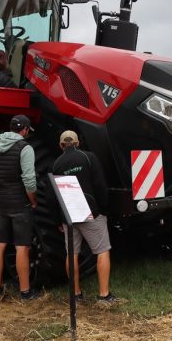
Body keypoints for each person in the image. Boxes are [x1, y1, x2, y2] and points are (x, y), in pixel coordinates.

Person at [51, 130, 118, 304]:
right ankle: (104, 295)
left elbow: (54, 196)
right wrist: (103, 208)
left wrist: (59, 219)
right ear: (77, 142)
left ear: (61, 145)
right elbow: (99, 185)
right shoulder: (88, 157)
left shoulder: (56, 164)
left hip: (68, 215)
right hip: (90, 213)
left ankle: (76, 294)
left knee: (71, 253)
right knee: (102, 251)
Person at [0, 115, 40, 301]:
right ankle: (25, 292)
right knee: (22, 247)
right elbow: (29, 180)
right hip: (19, 204)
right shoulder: (25, 148)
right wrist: (33, 200)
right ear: (24, 130)